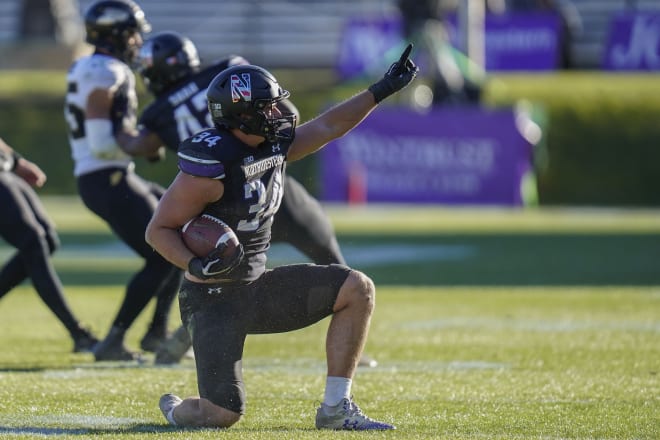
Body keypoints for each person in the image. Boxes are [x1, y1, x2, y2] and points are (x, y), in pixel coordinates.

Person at [145, 45, 418, 429]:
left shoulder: (273, 144)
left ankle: (336, 408)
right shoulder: (210, 170)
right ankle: (176, 409)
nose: (278, 113)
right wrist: (193, 262)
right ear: (244, 116)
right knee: (221, 415)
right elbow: (158, 230)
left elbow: (327, 127)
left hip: (257, 288)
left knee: (357, 289)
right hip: (212, 300)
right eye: (268, 107)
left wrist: (382, 89)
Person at [121, 30, 375, 367]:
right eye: (265, 108)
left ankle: (176, 333)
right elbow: (298, 118)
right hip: (262, 185)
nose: (273, 113)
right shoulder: (228, 71)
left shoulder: (161, 112)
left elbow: (142, 148)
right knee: (321, 255)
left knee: (211, 259)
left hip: (227, 192)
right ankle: (194, 332)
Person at [63, 0, 182, 361]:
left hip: (107, 177)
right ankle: (115, 340)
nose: (136, 41)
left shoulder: (87, 65)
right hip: (106, 177)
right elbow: (101, 144)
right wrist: (142, 140)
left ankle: (156, 332)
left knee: (180, 230)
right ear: (115, 35)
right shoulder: (108, 72)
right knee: (165, 252)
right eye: (131, 34)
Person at [0, 137, 98, 352]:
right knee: (33, 241)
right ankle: (77, 332)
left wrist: (15, 161)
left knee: (47, 240)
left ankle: (78, 334)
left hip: (4, 168)